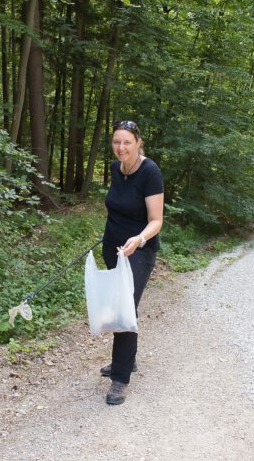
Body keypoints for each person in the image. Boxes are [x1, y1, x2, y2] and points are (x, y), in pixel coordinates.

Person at [100, 120, 164, 405]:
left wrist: (138, 239)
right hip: (113, 249)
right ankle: (128, 361)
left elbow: (156, 221)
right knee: (117, 307)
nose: (121, 147)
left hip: (139, 250)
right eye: (116, 142)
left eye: (127, 142)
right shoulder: (116, 168)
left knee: (125, 309)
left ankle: (120, 377)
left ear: (138, 142)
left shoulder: (150, 172)